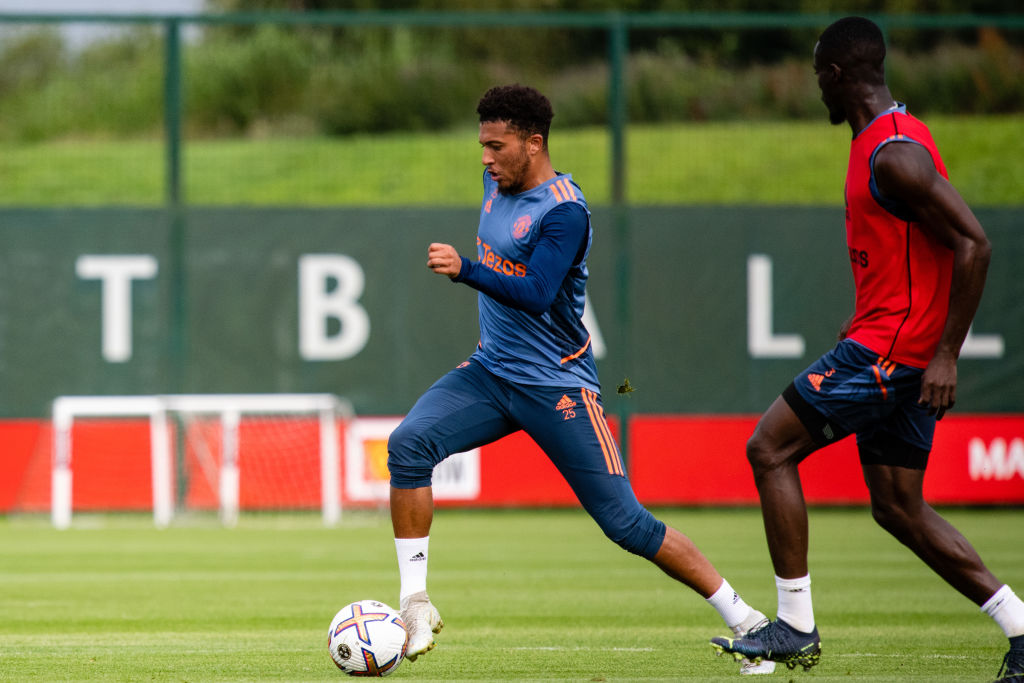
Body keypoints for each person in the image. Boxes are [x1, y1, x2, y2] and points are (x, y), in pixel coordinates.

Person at [387, 83, 774, 675]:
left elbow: (539, 294)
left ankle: (749, 622)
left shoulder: (564, 211)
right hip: (492, 373)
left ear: (533, 143)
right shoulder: (497, 182)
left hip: (558, 387)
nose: (485, 159)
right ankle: (414, 603)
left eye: (496, 146)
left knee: (626, 524)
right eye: (482, 146)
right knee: (409, 445)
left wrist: (465, 269)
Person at [710, 17, 1024, 681]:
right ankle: (1020, 627)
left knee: (768, 448)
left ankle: (795, 624)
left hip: (890, 354)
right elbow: (918, 252)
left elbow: (975, 244)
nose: (816, 90)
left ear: (835, 76)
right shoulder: (889, 141)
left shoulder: (894, 154)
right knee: (897, 507)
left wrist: (945, 355)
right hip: (891, 345)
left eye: (817, 77)